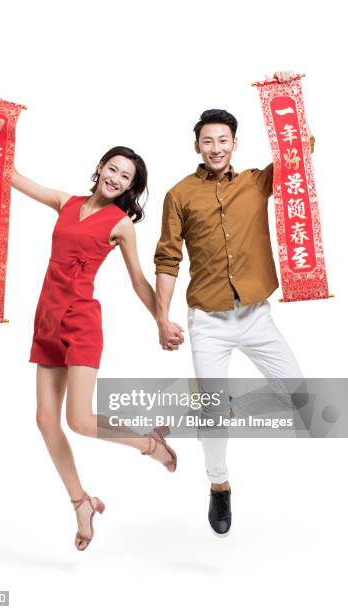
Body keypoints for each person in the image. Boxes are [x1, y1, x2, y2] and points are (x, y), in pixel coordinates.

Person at [154, 71, 315, 537]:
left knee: (300, 396)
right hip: (208, 320)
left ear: (235, 142)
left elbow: (299, 151)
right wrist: (162, 317)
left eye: (223, 139)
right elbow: (167, 256)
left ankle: (223, 403)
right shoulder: (180, 194)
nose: (216, 147)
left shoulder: (256, 182)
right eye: (208, 141)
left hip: (257, 316)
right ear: (198, 146)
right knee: (210, 414)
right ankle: (219, 486)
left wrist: (287, 102)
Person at [12, 145, 177, 551]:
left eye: (127, 178)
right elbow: (10, 175)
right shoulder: (64, 201)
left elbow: (138, 280)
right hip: (48, 317)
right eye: (114, 169)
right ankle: (81, 502)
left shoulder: (120, 224)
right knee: (45, 421)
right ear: (100, 167)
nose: (117, 179)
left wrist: (161, 318)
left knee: (80, 422)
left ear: (130, 188)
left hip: (82, 321)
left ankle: (149, 443)